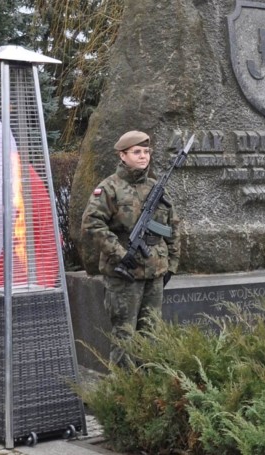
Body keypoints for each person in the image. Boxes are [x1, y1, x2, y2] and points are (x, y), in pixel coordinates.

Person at [81, 130, 180, 366]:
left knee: (152, 336)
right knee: (124, 339)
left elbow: (172, 226)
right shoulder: (109, 188)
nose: (143, 156)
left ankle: (149, 393)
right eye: (137, 152)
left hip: (155, 273)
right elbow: (92, 223)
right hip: (124, 276)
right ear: (122, 155)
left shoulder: (156, 187)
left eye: (146, 152)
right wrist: (120, 253)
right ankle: (123, 395)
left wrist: (172, 265)